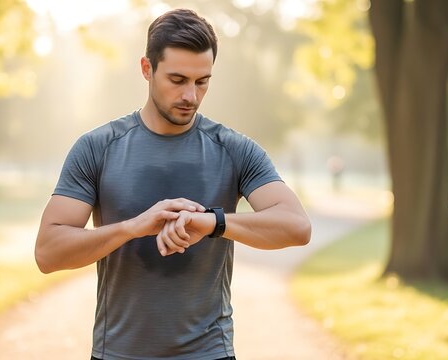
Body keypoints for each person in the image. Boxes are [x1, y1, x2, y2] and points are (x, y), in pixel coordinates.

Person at [35, 8, 311, 360]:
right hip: (118, 353)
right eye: (177, 80)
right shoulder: (98, 147)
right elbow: (47, 252)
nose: (191, 96)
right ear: (147, 69)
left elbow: (297, 226)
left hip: (210, 353)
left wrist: (211, 222)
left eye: (202, 81)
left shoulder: (233, 149)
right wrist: (134, 228)